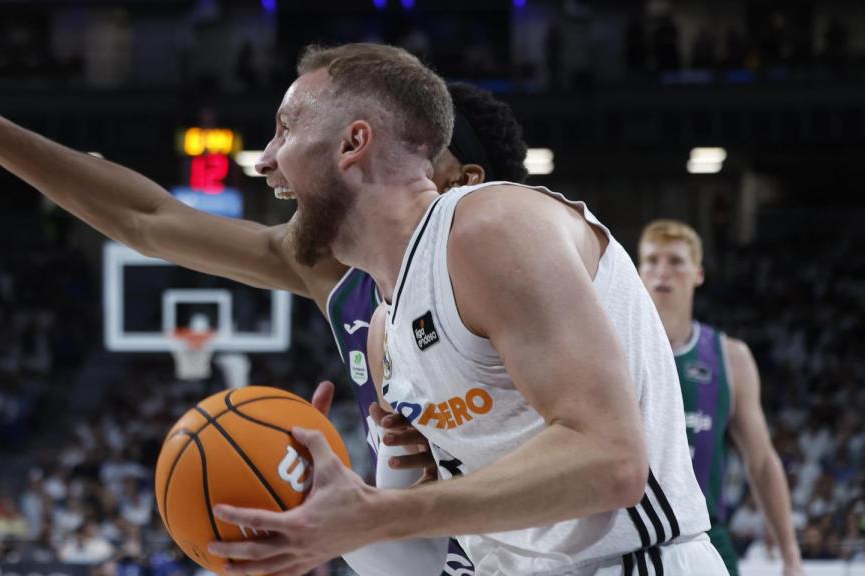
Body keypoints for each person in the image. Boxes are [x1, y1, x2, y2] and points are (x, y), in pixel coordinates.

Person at [0, 10, 526, 575]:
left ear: (461, 177)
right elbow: (149, 219)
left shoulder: (519, 262)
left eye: (423, 150)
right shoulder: (340, 272)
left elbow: (585, 454)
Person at [196, 43, 724, 575]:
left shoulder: (490, 227)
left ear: (353, 143)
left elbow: (610, 460)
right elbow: (428, 552)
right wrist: (319, 516)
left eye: (286, 130)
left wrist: (379, 514)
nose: (264, 160)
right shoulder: (385, 329)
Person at [637, 220, 804, 576]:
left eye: (675, 261)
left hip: (705, 537)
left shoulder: (730, 357)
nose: (662, 271)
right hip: (632, 540)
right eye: (651, 260)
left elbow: (761, 461)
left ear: (698, 274)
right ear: (637, 271)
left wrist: (791, 555)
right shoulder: (615, 349)